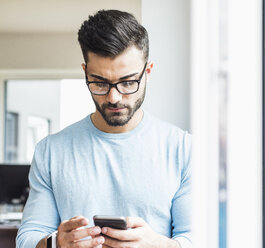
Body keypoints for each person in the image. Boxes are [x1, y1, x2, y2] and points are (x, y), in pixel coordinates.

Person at [16, 9, 191, 248]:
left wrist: (157, 245)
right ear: (85, 73)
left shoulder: (183, 148)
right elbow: (26, 239)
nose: (114, 97)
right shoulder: (50, 151)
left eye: (128, 82)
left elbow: (198, 238)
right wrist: (55, 244)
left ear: (147, 73)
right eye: (100, 83)